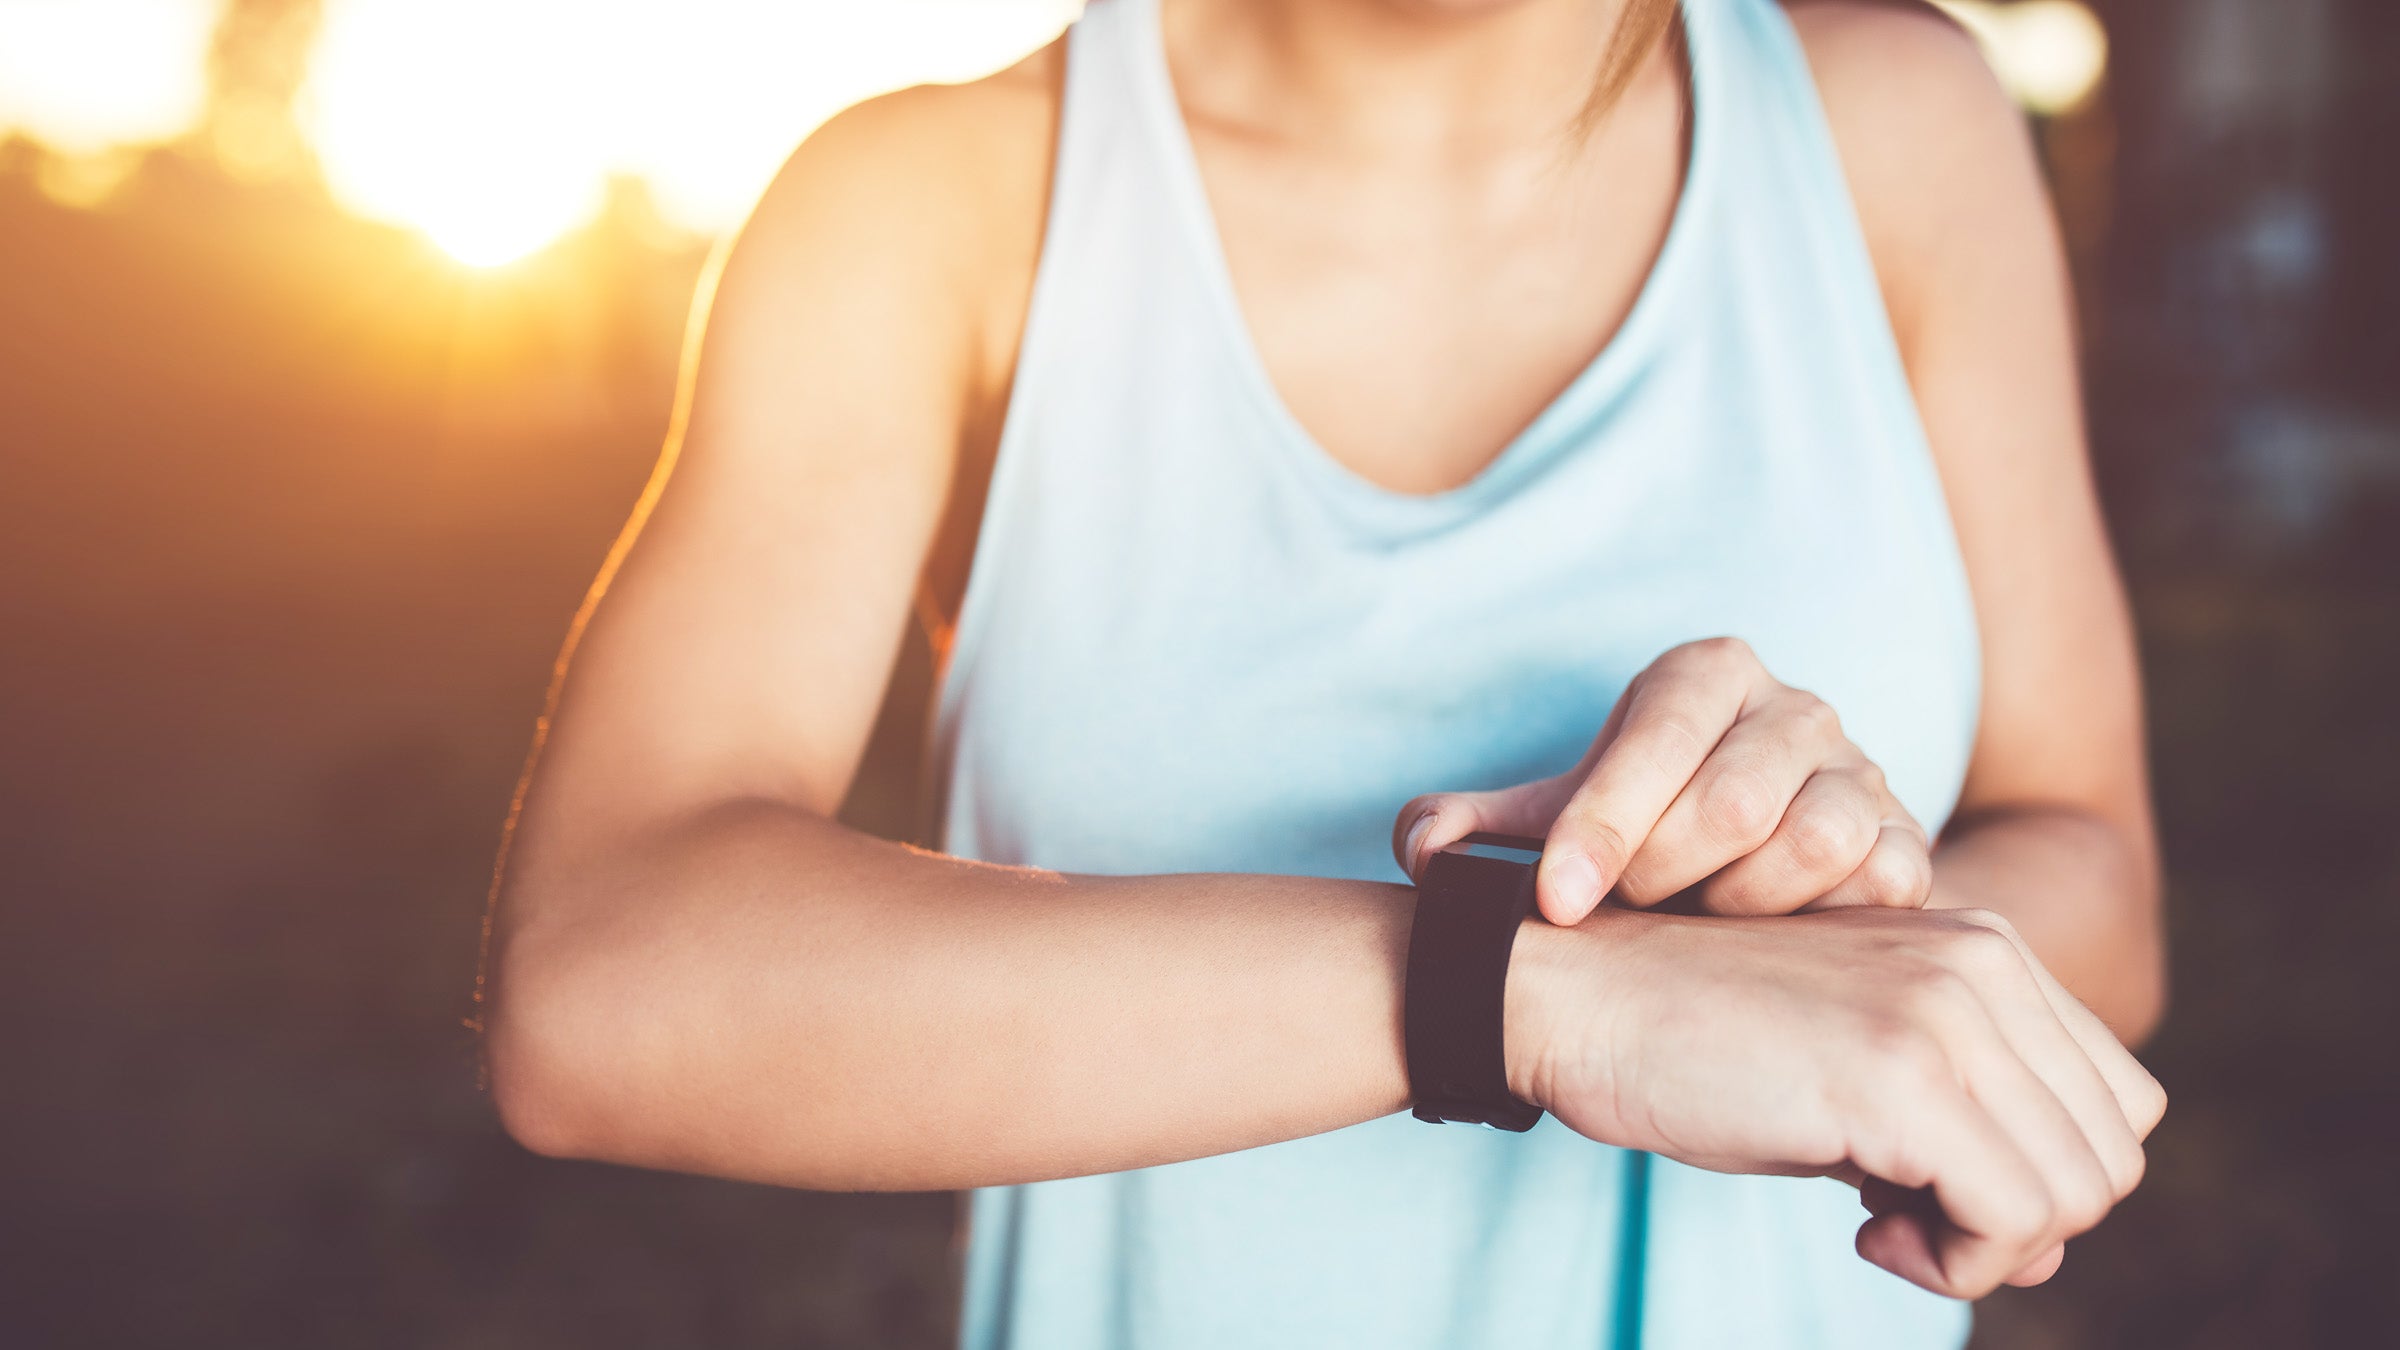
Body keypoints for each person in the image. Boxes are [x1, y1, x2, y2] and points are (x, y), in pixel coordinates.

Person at [480, 0, 2168, 1344]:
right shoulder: (937, 204)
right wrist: (1543, 992)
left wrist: (1840, 916)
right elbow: (602, 983)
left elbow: (2094, 870)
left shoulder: (1898, 129)